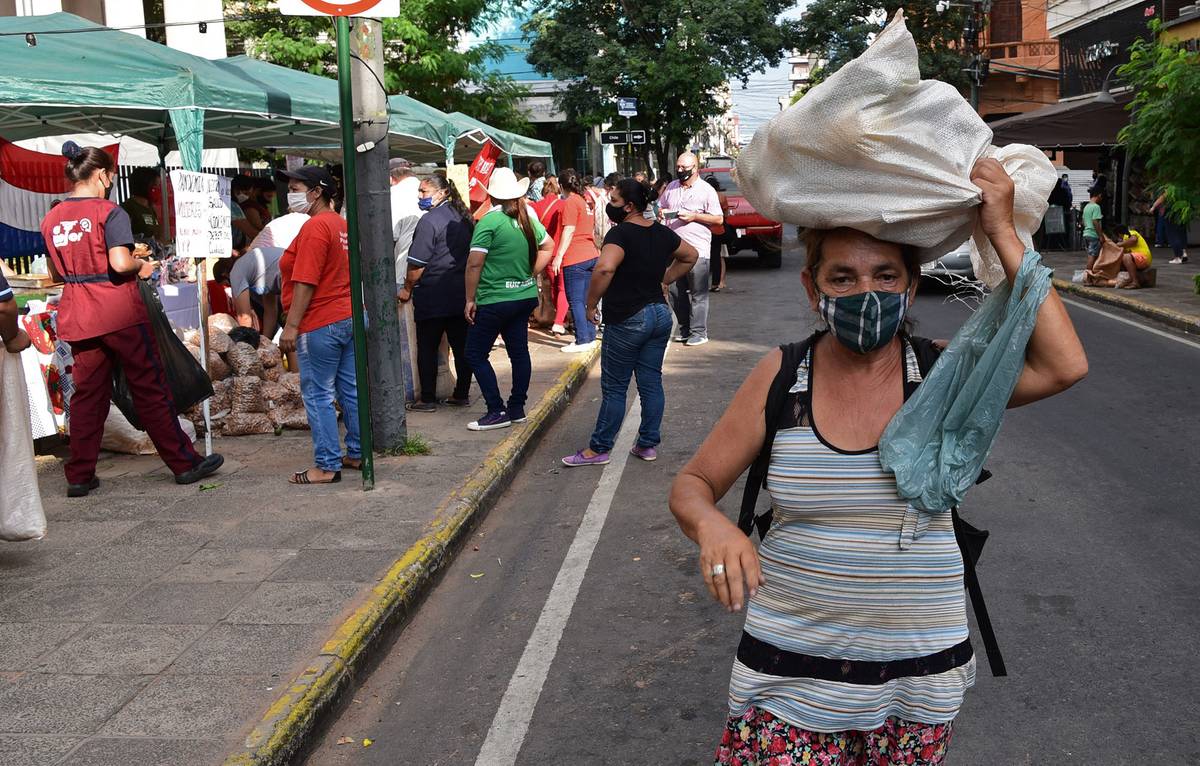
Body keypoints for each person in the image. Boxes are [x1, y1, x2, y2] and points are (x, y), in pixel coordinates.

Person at [669, 159, 1088, 766]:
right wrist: (712, 525)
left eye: (886, 276)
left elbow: (1062, 366)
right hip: (790, 671)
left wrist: (1003, 233)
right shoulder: (781, 376)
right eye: (842, 278)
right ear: (814, 290)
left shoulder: (944, 375)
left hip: (919, 678)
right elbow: (694, 483)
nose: (867, 293)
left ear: (911, 287)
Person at [40, 143, 223, 496]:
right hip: (118, 311)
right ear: (101, 175)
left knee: (87, 396)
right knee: (149, 388)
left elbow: (54, 273)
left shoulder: (52, 217)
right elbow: (120, 264)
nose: (110, 182)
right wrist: (143, 266)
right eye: (109, 175)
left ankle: (79, 475)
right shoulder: (109, 212)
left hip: (79, 313)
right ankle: (184, 464)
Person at [561, 179, 698, 467]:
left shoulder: (620, 235)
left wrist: (589, 304)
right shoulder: (661, 233)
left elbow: (605, 267)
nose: (609, 206)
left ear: (630, 206)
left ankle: (599, 448)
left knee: (615, 387)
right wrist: (665, 279)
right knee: (651, 382)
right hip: (659, 315)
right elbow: (690, 255)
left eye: (613, 201)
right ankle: (647, 444)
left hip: (627, 318)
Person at [276, 166, 361, 485]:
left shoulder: (315, 227)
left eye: (296, 187)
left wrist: (292, 326)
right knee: (350, 389)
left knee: (318, 394)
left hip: (321, 320)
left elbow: (305, 280)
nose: (291, 193)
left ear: (316, 193)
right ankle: (356, 452)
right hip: (349, 315)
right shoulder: (340, 225)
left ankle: (326, 465)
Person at [463, 167, 555, 431]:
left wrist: (470, 298)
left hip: (494, 298)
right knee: (519, 353)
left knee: (474, 353)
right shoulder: (526, 218)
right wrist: (530, 272)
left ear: (491, 195)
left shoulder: (489, 222)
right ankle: (517, 408)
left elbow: (474, 264)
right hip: (523, 296)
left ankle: (495, 409)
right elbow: (548, 246)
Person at [399, 173, 474, 412]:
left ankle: (427, 399)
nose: (420, 196)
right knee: (461, 348)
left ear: (442, 193)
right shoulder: (462, 217)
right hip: (459, 294)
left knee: (427, 348)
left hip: (433, 296)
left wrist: (407, 288)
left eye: (424, 192)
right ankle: (462, 393)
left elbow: (417, 264)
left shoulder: (429, 221)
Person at [662, 152, 723, 346]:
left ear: (695, 168)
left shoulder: (706, 191)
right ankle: (686, 328)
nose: (680, 171)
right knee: (673, 290)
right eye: (678, 167)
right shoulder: (671, 187)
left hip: (698, 251)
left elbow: (718, 218)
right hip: (673, 250)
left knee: (698, 293)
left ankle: (699, 332)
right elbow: (659, 207)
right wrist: (660, 213)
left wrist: (695, 216)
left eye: (684, 168)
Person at [224, 211, 307, 342]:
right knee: (292, 334)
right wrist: (265, 341)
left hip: (293, 274)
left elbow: (244, 317)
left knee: (291, 333)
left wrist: (246, 348)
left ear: (225, 275)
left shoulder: (236, 272)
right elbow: (271, 312)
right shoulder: (258, 271)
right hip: (295, 270)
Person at [553, 171, 600, 353]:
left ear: (562, 185)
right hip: (590, 254)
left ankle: (582, 339)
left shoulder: (570, 202)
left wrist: (559, 256)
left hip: (575, 257)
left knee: (576, 301)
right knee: (587, 300)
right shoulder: (584, 200)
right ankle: (588, 336)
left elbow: (569, 231)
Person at [530, 176, 568, 334]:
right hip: (562, 251)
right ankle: (560, 321)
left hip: (545, 253)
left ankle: (556, 317)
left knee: (551, 286)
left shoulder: (536, 206)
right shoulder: (563, 205)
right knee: (563, 288)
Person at [389, 158, 422, 279]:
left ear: (391, 178)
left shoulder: (392, 194)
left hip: (403, 270)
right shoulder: (427, 189)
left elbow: (389, 235)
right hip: (429, 269)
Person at [121, 167, 164, 245]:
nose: (158, 189)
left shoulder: (150, 208)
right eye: (155, 186)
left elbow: (157, 236)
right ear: (145, 186)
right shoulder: (127, 208)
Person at [705, 174, 731, 292]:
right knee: (716, 257)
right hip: (718, 230)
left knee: (702, 257)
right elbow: (726, 215)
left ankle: (697, 284)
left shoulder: (704, 196)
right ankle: (715, 284)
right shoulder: (722, 197)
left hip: (704, 230)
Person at [1107, 223, 1153, 289]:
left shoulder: (1131, 233)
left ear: (1119, 234)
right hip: (1137, 260)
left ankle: (1135, 282)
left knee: (1126, 257)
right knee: (1120, 259)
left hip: (1144, 257)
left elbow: (1134, 240)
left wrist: (1119, 244)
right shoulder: (1125, 243)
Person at [1151, 192, 1190, 264]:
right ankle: (1183, 253)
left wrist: (1154, 206)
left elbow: (1164, 196)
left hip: (1171, 212)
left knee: (1173, 234)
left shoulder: (1170, 186)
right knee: (1181, 233)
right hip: (1182, 211)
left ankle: (1178, 257)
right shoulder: (1183, 187)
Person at [1081, 188, 1104, 271]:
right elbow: (1095, 221)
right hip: (1093, 235)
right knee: (1092, 256)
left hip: (1086, 234)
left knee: (1090, 255)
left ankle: (1091, 276)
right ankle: (1088, 278)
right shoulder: (1096, 207)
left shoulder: (1086, 207)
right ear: (1099, 195)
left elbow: (1083, 222)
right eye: (1101, 197)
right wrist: (1100, 236)